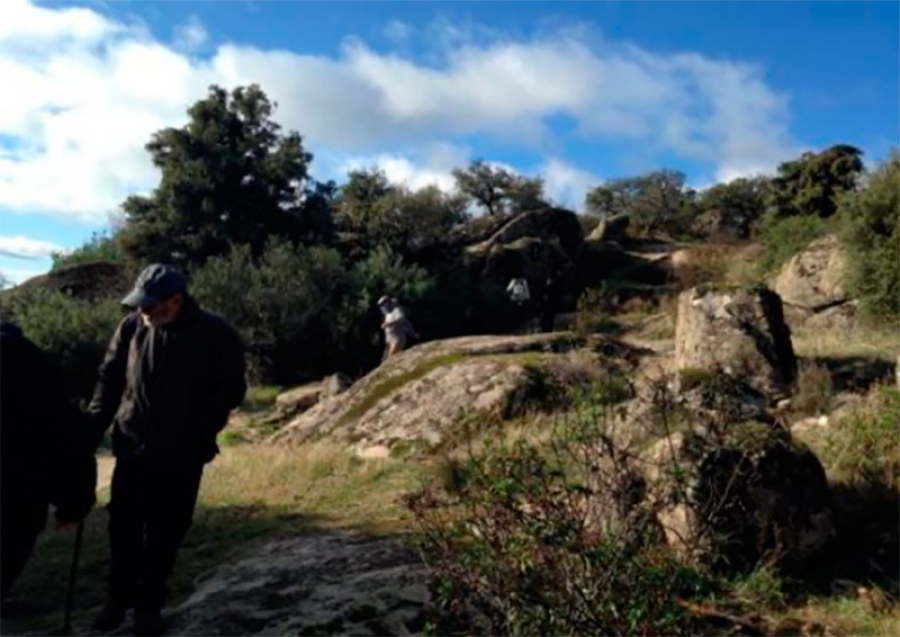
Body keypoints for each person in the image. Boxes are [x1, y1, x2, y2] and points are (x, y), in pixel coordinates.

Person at [87, 264, 246, 636]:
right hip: (132, 444)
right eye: (139, 304)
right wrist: (92, 427)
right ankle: (117, 598)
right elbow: (109, 378)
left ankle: (148, 605)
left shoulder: (215, 333)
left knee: (165, 531)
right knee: (122, 526)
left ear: (176, 300)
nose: (143, 311)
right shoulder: (131, 327)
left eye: (151, 305)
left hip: (182, 454)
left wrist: (199, 432)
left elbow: (231, 390)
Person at [0, 321, 97, 602]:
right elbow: (69, 446)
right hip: (16, 505)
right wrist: (72, 508)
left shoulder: (27, 364)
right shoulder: (39, 375)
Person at [377, 295, 418, 361]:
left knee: (390, 359)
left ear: (387, 303)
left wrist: (387, 324)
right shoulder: (387, 314)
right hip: (390, 341)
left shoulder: (396, 311)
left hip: (397, 340)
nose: (382, 307)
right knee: (385, 360)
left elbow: (401, 319)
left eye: (383, 304)